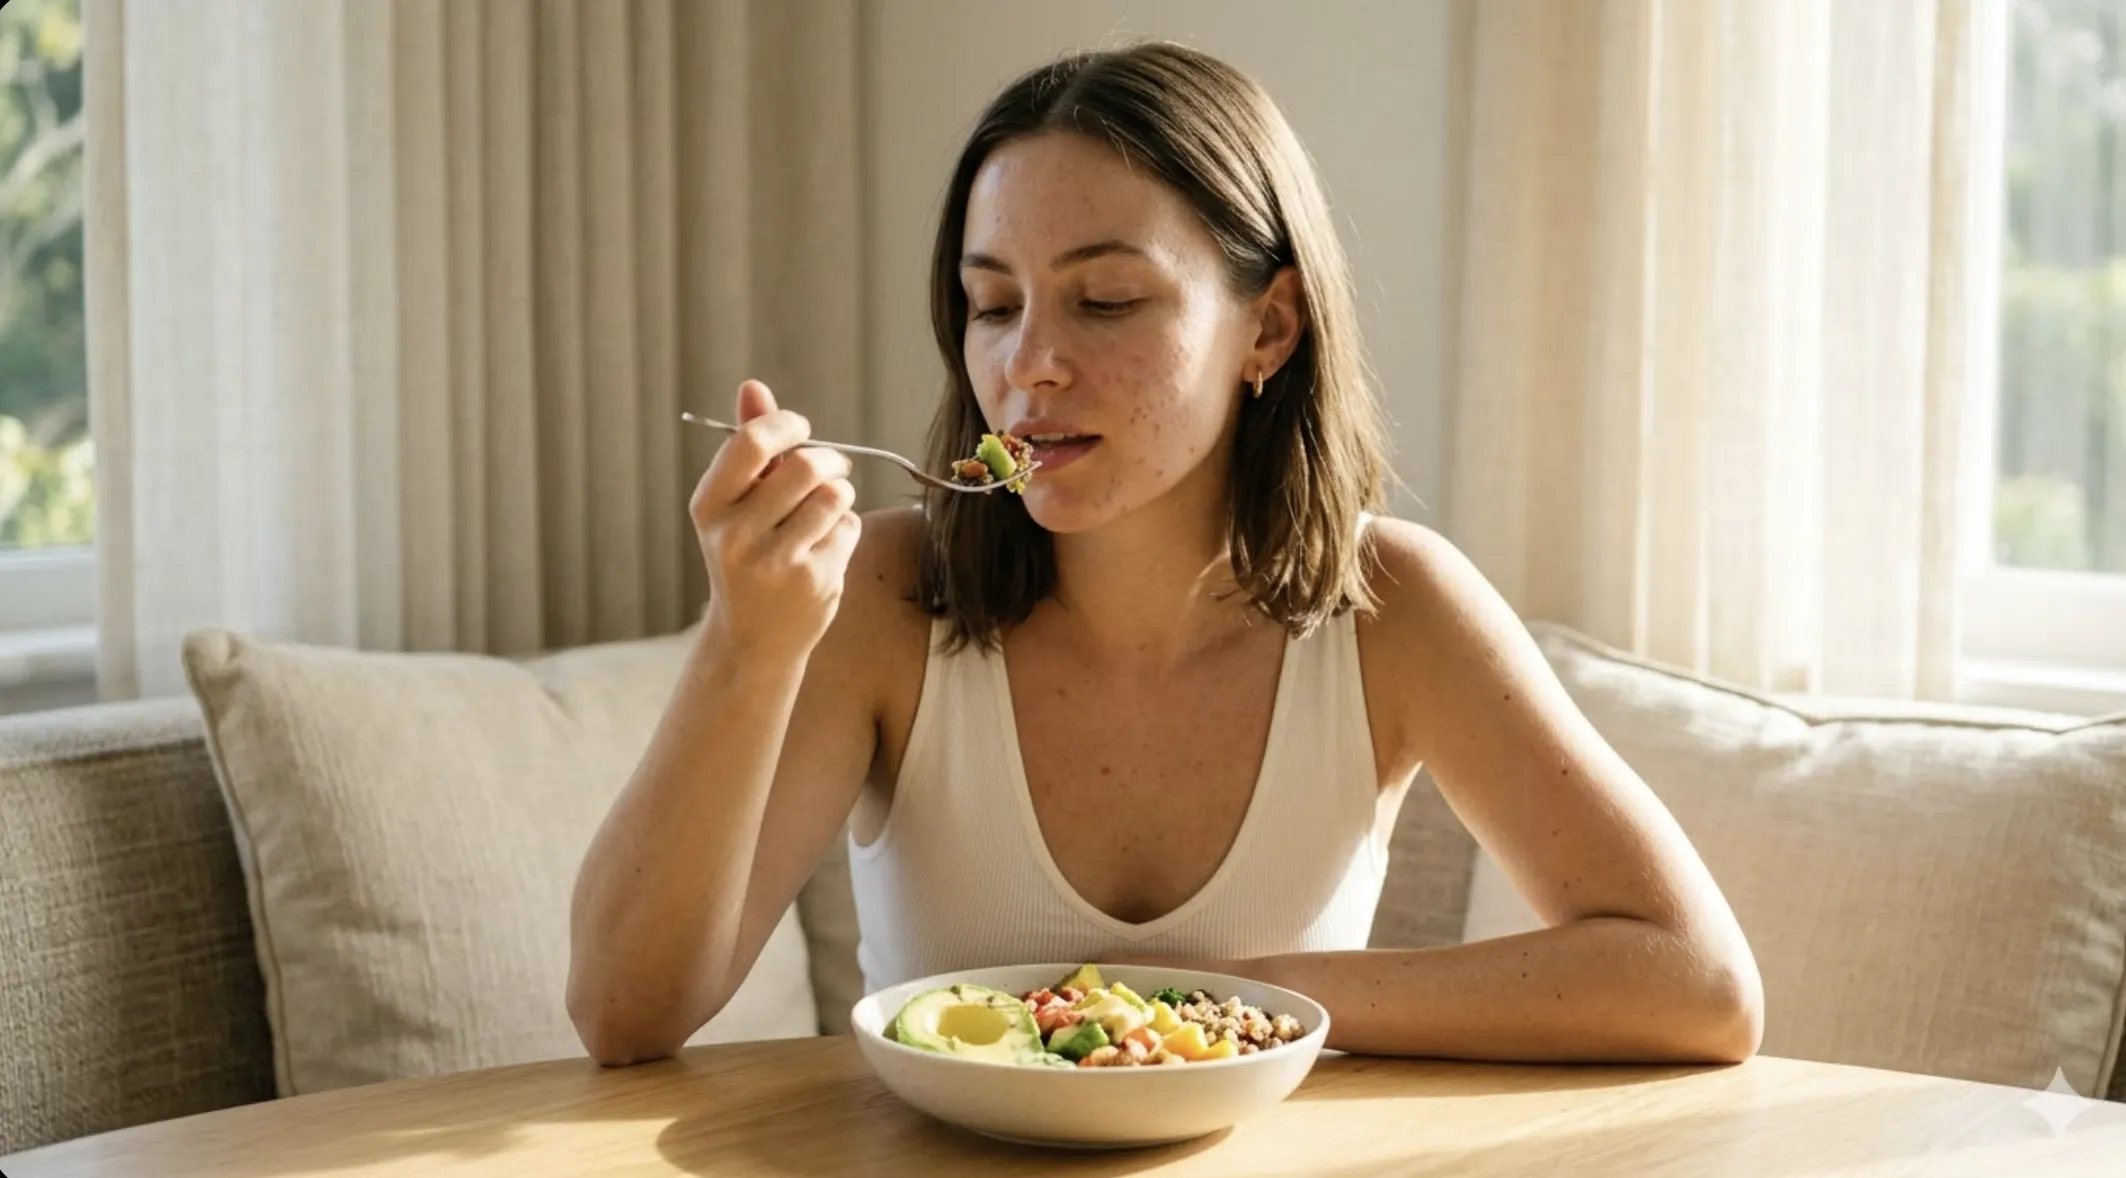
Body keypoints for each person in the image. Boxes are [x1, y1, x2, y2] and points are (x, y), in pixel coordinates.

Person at [566, 41, 1763, 1068]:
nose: (1027, 365)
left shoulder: (1393, 607)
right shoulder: (885, 594)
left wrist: (1231, 1003)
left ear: (1268, 328)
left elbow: (1696, 983)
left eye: (1104, 301)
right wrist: (745, 645)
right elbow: (622, 1013)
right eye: (993, 304)